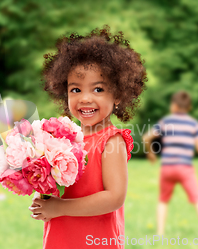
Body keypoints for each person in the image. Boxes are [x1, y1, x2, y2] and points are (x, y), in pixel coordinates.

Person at [28, 26, 147, 248]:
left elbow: (114, 197)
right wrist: (44, 200)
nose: (85, 98)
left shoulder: (111, 140)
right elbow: (60, 188)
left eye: (98, 89)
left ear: (118, 95)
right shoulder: (63, 140)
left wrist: (59, 208)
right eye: (76, 90)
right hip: (60, 238)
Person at [142, 90, 198, 237]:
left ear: (173, 106)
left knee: (163, 200)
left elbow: (146, 137)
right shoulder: (194, 124)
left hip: (167, 168)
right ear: (189, 108)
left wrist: (150, 153)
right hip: (185, 168)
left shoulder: (166, 121)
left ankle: (160, 233)